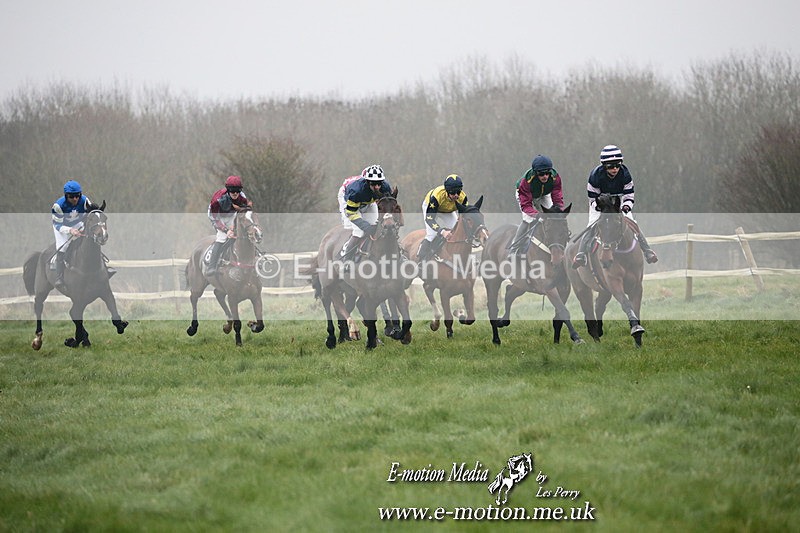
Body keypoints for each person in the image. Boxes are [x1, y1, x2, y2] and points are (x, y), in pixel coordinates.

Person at [572, 145, 658, 268]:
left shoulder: (625, 174)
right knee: (592, 224)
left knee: (632, 222)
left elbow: (629, 194)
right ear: (604, 166)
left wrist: (626, 207)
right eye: (611, 166)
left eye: (617, 165)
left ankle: (647, 250)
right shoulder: (595, 176)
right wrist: (600, 207)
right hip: (600, 201)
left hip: (620, 199)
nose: (615, 169)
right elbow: (592, 198)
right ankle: (581, 254)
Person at [508, 154, 565, 256]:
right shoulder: (526, 182)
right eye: (541, 174)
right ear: (535, 173)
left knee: (553, 216)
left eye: (547, 173)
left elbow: (557, 192)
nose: (545, 176)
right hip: (525, 195)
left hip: (544, 194)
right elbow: (526, 206)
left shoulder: (555, 177)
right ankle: (514, 247)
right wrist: (537, 215)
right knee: (528, 219)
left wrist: (558, 207)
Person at [339, 164, 393, 262]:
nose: (377, 187)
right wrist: (365, 226)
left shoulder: (385, 187)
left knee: (376, 226)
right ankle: (346, 258)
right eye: (373, 184)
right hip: (349, 201)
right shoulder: (356, 191)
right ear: (367, 182)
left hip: (368, 201)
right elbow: (351, 213)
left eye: (379, 183)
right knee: (359, 231)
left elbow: (387, 206)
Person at [51, 180, 95, 289]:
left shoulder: (85, 201)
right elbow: (57, 225)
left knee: (91, 239)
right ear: (66, 196)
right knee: (63, 247)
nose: (75, 199)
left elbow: (91, 214)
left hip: (78, 223)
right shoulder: (58, 206)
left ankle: (103, 266)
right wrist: (70, 231)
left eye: (77, 196)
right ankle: (59, 277)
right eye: (71, 196)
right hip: (62, 226)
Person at [206, 175, 253, 275]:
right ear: (228, 190)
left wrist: (237, 226)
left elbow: (243, 213)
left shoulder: (242, 198)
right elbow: (215, 218)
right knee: (222, 237)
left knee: (239, 234)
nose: (235, 193)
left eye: (238, 190)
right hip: (217, 216)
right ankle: (212, 266)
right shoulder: (217, 200)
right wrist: (226, 230)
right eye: (232, 190)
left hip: (232, 214)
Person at [417, 174, 469, 261]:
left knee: (457, 231)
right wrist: (442, 231)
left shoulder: (463, 198)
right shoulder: (437, 197)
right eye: (453, 193)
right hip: (431, 208)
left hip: (447, 210)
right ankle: (421, 258)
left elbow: (464, 217)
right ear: (447, 191)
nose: (456, 195)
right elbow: (429, 219)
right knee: (432, 234)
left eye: (458, 192)